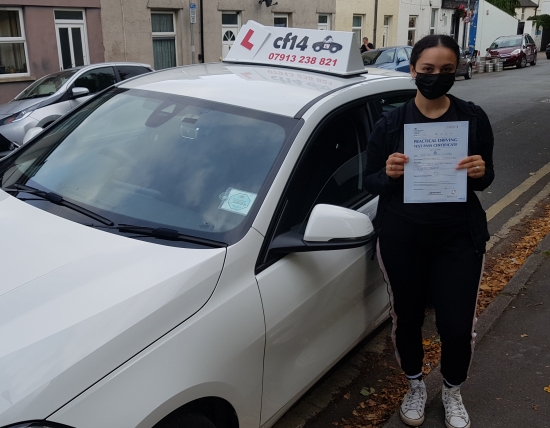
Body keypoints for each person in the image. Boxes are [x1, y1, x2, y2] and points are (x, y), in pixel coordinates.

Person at [363, 34, 494, 428]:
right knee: (407, 319)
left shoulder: (472, 118)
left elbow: (486, 177)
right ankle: (416, 384)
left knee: (456, 327)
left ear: (457, 72)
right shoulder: (392, 123)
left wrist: (480, 171)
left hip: (458, 239)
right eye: (428, 70)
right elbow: (369, 181)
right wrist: (387, 174)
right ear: (412, 70)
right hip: (403, 239)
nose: (437, 77)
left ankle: (452, 389)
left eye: (447, 70)